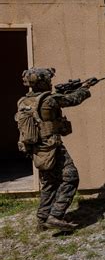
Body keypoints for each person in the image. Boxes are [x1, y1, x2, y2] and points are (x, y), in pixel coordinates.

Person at [18, 68, 92, 231]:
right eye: (48, 81)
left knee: (49, 182)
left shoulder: (24, 102)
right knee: (71, 177)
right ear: (42, 82)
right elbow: (72, 99)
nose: (51, 83)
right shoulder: (49, 100)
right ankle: (56, 216)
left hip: (37, 149)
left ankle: (42, 219)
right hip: (52, 146)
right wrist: (85, 88)